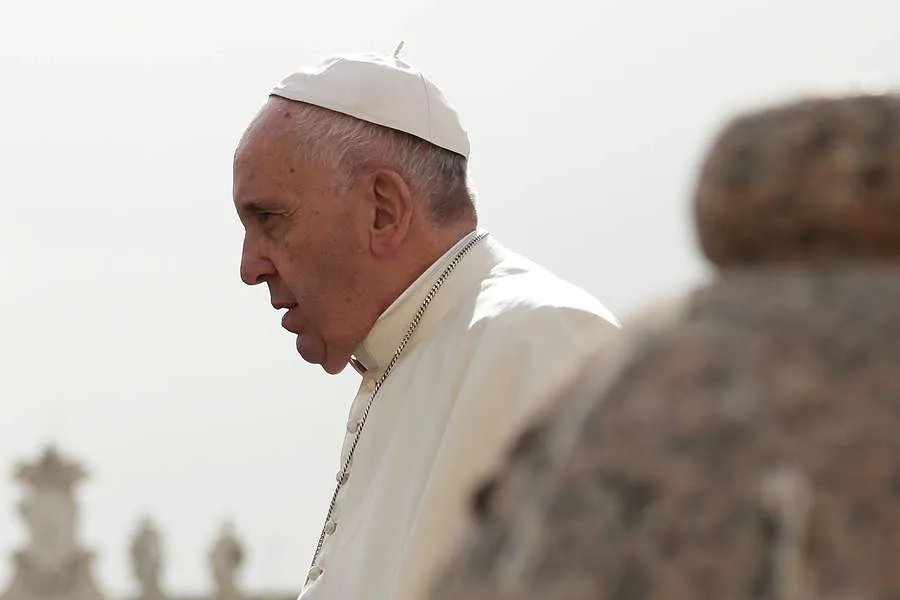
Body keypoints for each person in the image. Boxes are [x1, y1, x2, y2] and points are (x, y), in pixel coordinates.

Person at [232, 51, 620, 600]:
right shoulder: (403, 357)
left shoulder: (543, 342)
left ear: (383, 210)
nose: (249, 267)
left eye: (269, 219)